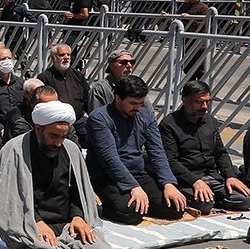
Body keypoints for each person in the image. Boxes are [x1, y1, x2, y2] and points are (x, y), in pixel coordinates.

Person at [0, 101, 112, 249]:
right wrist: (37, 222)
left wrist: (78, 216)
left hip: (65, 224)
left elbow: (79, 190)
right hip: (27, 225)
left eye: (63, 137)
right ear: (38, 129)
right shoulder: (14, 151)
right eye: (54, 136)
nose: (59, 143)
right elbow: (11, 199)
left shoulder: (70, 150)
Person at [86, 75, 187, 224]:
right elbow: (109, 159)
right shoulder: (99, 118)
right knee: (131, 213)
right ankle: (100, 204)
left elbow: (157, 151)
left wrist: (168, 183)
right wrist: (132, 186)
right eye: (133, 103)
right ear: (117, 98)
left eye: (140, 103)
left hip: (138, 172)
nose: (137, 108)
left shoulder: (145, 114)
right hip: (106, 175)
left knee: (174, 207)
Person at [159, 80, 250, 214]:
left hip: (212, 176)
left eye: (207, 101)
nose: (204, 106)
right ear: (185, 100)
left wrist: (230, 176)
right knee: (203, 204)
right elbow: (170, 161)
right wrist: (194, 180)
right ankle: (209, 199)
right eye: (199, 102)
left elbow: (220, 153)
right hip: (188, 178)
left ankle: (216, 197)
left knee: (245, 199)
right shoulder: (169, 124)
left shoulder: (210, 121)